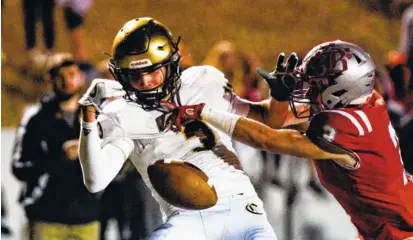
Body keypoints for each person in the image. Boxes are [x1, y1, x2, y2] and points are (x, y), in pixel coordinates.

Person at [75, 17, 337, 239]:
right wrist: (88, 121)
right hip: (186, 221)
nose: (145, 82)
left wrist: (279, 97)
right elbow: (96, 181)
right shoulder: (121, 113)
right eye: (134, 75)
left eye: (152, 71)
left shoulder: (202, 82)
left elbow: (269, 119)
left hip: (241, 209)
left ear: (170, 64)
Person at [174, 40, 413, 240]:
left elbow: (266, 138)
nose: (307, 88)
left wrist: (204, 112)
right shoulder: (356, 102)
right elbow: (270, 119)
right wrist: (278, 97)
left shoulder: (346, 128)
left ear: (339, 91)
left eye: (316, 83)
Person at [11, 58, 101, 240]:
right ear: (50, 81)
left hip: (87, 218)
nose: (67, 81)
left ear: (81, 77)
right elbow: (19, 167)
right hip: (47, 218)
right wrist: (61, 158)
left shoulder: (97, 117)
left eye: (71, 75)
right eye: (59, 77)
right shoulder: (36, 120)